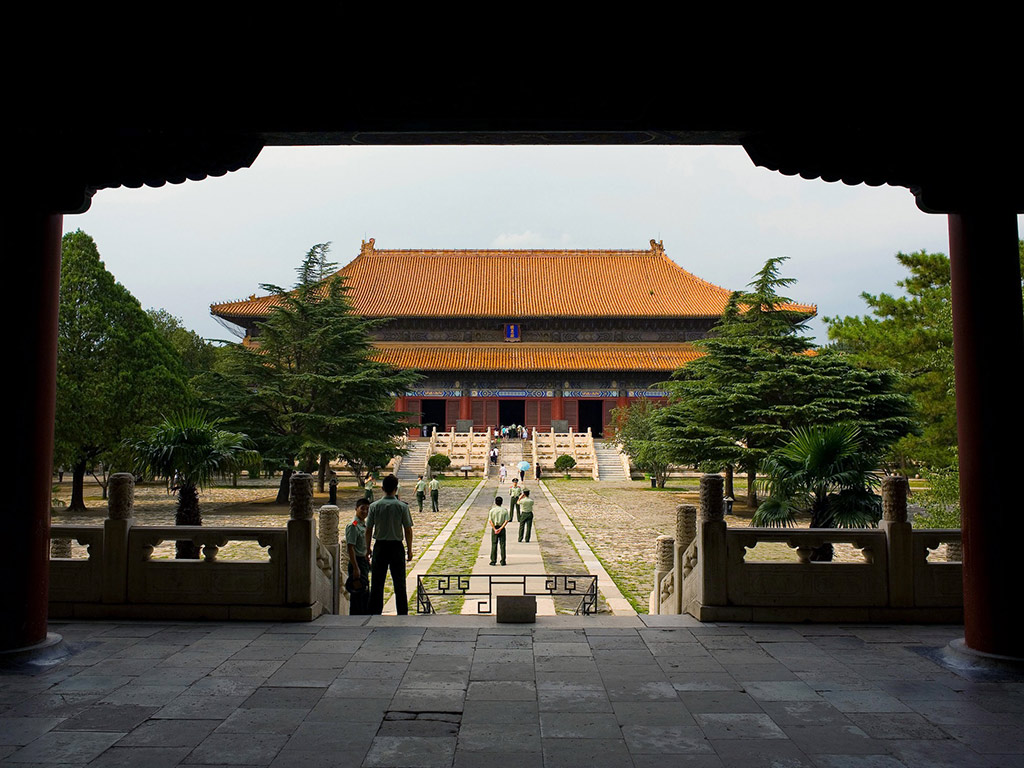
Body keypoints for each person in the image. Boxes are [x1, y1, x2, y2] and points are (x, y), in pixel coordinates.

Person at [365, 474, 414, 615]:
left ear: (382, 488)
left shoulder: (374, 506)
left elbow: (368, 529)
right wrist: (409, 549)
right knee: (399, 584)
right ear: (396, 489)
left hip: (380, 546)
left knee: (377, 583)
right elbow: (408, 529)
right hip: (396, 547)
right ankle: (402, 613)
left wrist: (367, 548)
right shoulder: (402, 506)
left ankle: (375, 614)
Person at [345, 498, 371, 614]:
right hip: (357, 562)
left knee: (364, 592)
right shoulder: (353, 525)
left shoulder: (362, 524)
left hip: (363, 561)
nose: (365, 511)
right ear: (356, 509)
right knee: (357, 594)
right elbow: (350, 547)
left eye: (367, 509)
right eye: (362, 509)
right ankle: (356, 618)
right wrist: (356, 568)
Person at [488, 496, 511, 566]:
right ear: (502, 502)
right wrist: (501, 528)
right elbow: (506, 520)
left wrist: (494, 529)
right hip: (502, 528)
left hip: (494, 527)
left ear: (495, 502)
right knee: (502, 544)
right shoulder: (504, 510)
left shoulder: (492, 511)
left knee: (494, 544)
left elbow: (490, 521)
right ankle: (503, 560)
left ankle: (493, 560)